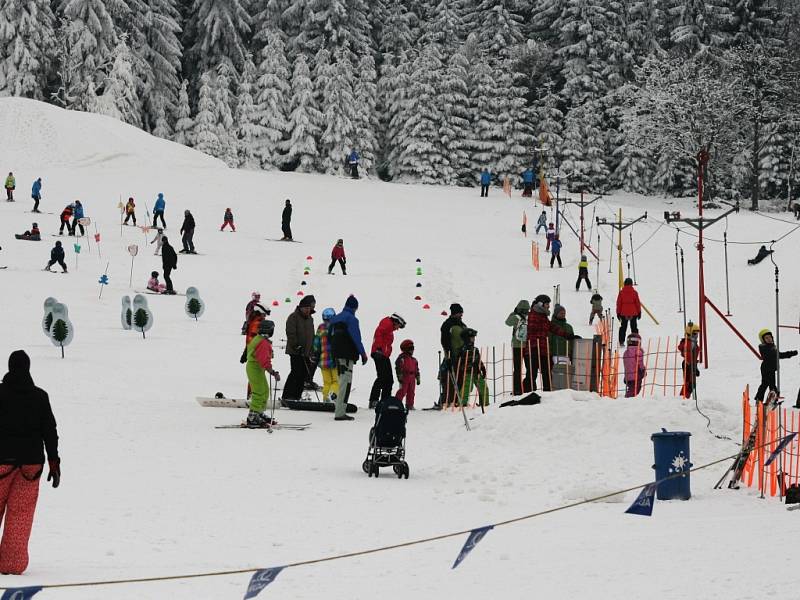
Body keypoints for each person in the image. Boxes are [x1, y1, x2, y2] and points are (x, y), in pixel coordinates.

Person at [0, 350, 60, 575]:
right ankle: (11, 564)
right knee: (21, 514)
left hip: (1, 462)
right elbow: (50, 431)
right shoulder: (39, 396)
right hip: (31, 465)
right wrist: (54, 461)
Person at [329, 295, 368, 421]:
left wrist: (332, 353)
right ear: (355, 307)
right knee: (345, 384)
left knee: (341, 382)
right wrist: (363, 354)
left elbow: (329, 337)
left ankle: (339, 409)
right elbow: (356, 338)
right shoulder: (351, 319)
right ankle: (340, 413)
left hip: (336, 355)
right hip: (346, 356)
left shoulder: (335, 319)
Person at [526, 294, 570, 392]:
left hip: (543, 349)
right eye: (547, 304)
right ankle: (529, 392)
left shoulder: (543, 316)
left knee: (547, 371)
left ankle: (548, 392)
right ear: (541, 304)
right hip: (533, 348)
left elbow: (552, 327)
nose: (549, 306)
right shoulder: (533, 315)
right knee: (532, 373)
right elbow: (533, 329)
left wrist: (566, 335)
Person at [245, 319, 280, 428]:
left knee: (265, 390)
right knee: (259, 392)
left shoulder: (260, 339)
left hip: (257, 368)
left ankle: (258, 413)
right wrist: (272, 372)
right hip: (255, 368)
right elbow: (264, 360)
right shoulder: (263, 342)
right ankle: (252, 416)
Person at [368, 313, 407, 409]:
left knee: (389, 380)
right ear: (396, 321)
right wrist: (379, 349)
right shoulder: (387, 324)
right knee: (382, 377)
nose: (398, 328)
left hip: (384, 355)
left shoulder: (390, 329)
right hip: (379, 354)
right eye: (399, 326)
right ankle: (374, 400)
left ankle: (385, 400)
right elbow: (378, 334)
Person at [282, 295, 316, 402]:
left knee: (304, 374)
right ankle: (287, 395)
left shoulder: (310, 319)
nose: (307, 310)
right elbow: (290, 333)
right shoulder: (293, 317)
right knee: (296, 372)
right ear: (301, 307)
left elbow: (312, 335)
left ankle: (297, 395)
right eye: (306, 308)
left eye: (309, 308)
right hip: (295, 351)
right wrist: (296, 345)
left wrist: (311, 349)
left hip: (306, 352)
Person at [754, 328, 797, 403]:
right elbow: (773, 354)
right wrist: (774, 350)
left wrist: (790, 353)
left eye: (770, 337)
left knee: (768, 385)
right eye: (766, 338)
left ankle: (765, 399)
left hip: (771, 369)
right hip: (767, 369)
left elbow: (779, 355)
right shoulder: (763, 347)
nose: (769, 339)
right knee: (769, 385)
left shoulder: (772, 346)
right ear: (763, 340)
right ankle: (767, 399)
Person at [437, 303, 466, 408]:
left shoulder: (461, 325)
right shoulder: (448, 324)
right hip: (452, 355)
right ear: (455, 313)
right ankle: (446, 400)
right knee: (449, 378)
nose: (462, 314)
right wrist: (448, 354)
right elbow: (445, 341)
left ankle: (455, 399)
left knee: (460, 378)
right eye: (460, 312)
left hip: (462, 356)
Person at [455, 328, 489, 407]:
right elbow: (460, 364)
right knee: (467, 387)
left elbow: (478, 360)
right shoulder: (462, 350)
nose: (474, 339)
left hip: (476, 372)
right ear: (466, 338)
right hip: (467, 373)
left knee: (483, 387)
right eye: (472, 337)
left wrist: (482, 368)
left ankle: (485, 403)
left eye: (474, 337)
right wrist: (470, 366)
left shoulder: (475, 349)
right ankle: (462, 403)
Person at [312, 308, 338, 403]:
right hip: (334, 359)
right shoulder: (337, 327)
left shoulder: (321, 328)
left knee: (327, 382)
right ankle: (333, 396)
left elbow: (316, 343)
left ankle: (325, 399)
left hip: (323, 360)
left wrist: (315, 353)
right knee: (336, 381)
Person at [505, 300, 532, 396]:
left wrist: (514, 313)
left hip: (517, 345)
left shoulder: (515, 317)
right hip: (528, 345)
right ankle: (529, 387)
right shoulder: (530, 316)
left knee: (517, 368)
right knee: (530, 368)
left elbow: (507, 322)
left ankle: (517, 389)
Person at [395, 339, 420, 410]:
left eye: (412, 348)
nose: (412, 350)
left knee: (411, 392)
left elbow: (416, 369)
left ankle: (410, 405)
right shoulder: (402, 358)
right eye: (410, 349)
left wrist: (417, 376)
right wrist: (400, 376)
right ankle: (397, 403)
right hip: (405, 377)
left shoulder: (414, 360)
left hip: (412, 377)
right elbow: (398, 367)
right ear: (405, 349)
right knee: (402, 391)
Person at [678, 323, 701, 398]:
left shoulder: (693, 343)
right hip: (687, 364)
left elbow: (694, 356)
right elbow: (687, 354)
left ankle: (684, 397)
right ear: (689, 334)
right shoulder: (688, 343)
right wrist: (691, 365)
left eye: (697, 334)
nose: (696, 336)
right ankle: (683, 397)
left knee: (692, 384)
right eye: (694, 334)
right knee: (689, 384)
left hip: (692, 364)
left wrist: (695, 367)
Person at [616, 278, 641, 345]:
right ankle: (635, 341)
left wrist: (618, 313)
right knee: (634, 327)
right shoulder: (635, 293)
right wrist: (639, 312)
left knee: (623, 327)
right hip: (634, 312)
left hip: (623, 313)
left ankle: (621, 341)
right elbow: (637, 303)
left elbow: (619, 304)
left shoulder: (621, 293)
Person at [623, 333, 646, 397]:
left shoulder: (626, 352)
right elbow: (640, 363)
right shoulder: (638, 351)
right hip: (636, 375)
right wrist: (643, 370)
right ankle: (628, 398)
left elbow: (626, 364)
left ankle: (629, 398)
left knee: (632, 388)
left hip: (628, 376)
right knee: (635, 389)